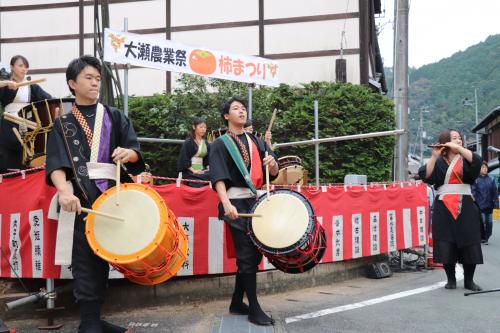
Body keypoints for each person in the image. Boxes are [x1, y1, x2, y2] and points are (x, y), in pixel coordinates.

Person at [45, 55, 144, 333]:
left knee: (103, 261)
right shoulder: (63, 123)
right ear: (72, 83)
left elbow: (136, 152)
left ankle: (94, 320)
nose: (94, 82)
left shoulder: (114, 116)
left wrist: (129, 152)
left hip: (110, 199)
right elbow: (56, 164)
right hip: (79, 202)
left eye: (97, 78)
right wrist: (64, 192)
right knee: (84, 261)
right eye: (88, 77)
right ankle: (88, 324)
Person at [210, 96, 279, 326]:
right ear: (226, 116)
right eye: (236, 109)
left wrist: (271, 164)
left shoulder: (256, 141)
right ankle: (254, 309)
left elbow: (275, 169)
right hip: (235, 203)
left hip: (255, 202)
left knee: (253, 254)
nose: (241, 111)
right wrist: (226, 204)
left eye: (243, 108)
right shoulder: (220, 143)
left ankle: (237, 302)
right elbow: (218, 177)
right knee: (247, 254)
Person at [418, 129, 483, 291]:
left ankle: (469, 281)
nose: (458, 140)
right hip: (443, 205)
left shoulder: (466, 158)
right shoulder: (439, 160)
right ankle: (451, 279)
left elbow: (477, 161)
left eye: (459, 138)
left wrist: (459, 148)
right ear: (445, 141)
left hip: (466, 204)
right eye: (454, 138)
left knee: (470, 241)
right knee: (446, 241)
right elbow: (426, 176)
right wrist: (434, 156)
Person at [0, 55, 52, 172]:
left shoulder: (31, 86)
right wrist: (6, 83)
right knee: (7, 153)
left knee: (27, 153)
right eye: (20, 66)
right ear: (12, 67)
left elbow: (48, 99)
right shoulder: (5, 84)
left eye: (26, 67)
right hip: (9, 123)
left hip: (27, 123)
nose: (24, 69)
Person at [177, 116, 210, 187]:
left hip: (202, 170)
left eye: (205, 127)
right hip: (190, 171)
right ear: (194, 127)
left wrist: (208, 169)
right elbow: (184, 159)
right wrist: (194, 170)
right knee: (197, 181)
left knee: (215, 175)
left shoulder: (206, 143)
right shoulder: (188, 142)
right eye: (201, 127)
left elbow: (207, 160)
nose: (203, 129)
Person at [472, 161, 498, 245]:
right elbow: (473, 192)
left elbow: (495, 192)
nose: (484, 169)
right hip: (480, 206)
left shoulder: (491, 179)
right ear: (479, 169)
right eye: (482, 167)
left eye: (485, 167)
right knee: (482, 222)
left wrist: (496, 203)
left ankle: (486, 237)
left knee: (489, 223)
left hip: (489, 206)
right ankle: (482, 238)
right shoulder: (475, 180)